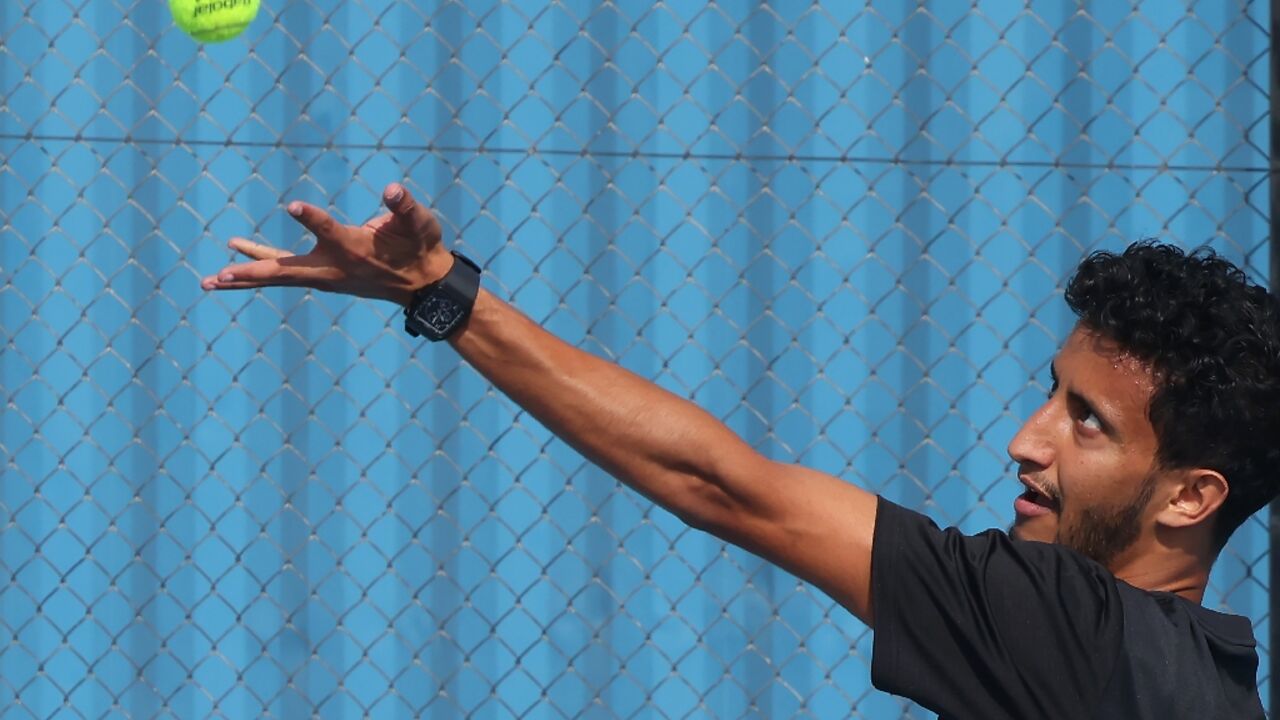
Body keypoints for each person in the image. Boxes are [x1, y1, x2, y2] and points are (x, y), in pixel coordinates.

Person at [200, 183, 1279, 719]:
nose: (1024, 440)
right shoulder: (1214, 680)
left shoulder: (1069, 630)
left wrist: (443, 297)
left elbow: (718, 485)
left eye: (1083, 422)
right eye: (1049, 394)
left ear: (1189, 496)